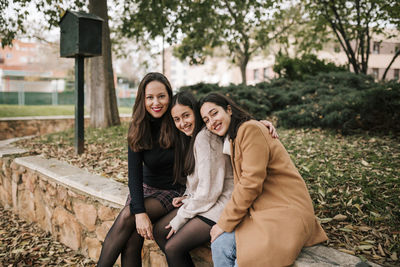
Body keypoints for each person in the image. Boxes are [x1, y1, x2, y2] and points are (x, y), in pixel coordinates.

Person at [199, 93, 328, 267]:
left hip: (284, 210)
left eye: (214, 113)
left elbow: (250, 183)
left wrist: (223, 223)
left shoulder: (249, 130)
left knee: (246, 261)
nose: (211, 122)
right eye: (206, 120)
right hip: (262, 210)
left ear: (229, 110)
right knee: (219, 245)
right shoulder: (234, 137)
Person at [97, 72, 185, 267]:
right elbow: (134, 175)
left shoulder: (178, 120)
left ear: (169, 96)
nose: (156, 102)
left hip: (172, 190)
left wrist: (254, 123)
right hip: (145, 188)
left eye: (161, 96)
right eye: (150, 97)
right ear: (142, 99)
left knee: (129, 215)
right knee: (130, 241)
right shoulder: (138, 126)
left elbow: (213, 115)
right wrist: (140, 212)